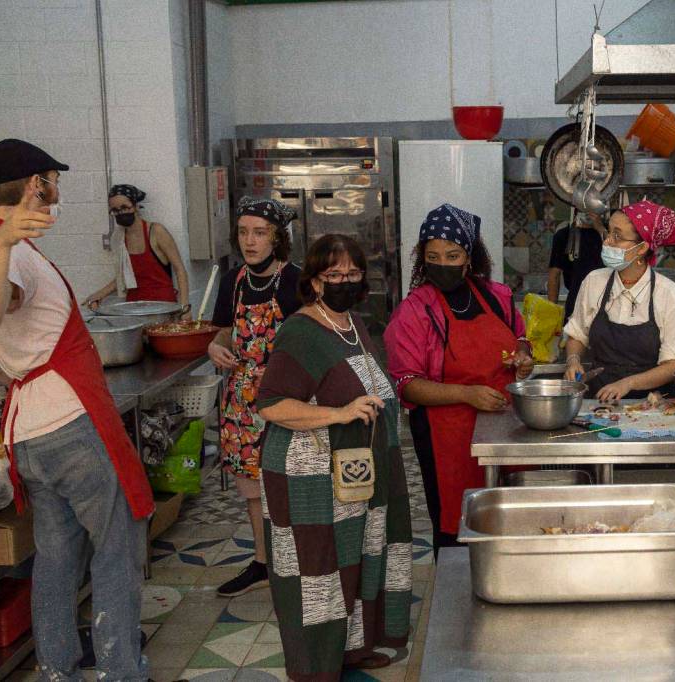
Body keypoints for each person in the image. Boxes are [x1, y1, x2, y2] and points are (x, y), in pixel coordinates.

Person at [0, 139, 152, 679]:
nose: (57, 191)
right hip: (69, 429)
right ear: (36, 184)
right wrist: (1, 247)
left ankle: (57, 668)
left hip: (30, 436)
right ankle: (119, 669)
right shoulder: (9, 252)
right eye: (52, 181)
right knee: (116, 546)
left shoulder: (14, 249)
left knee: (57, 558)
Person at [257, 234, 412, 678]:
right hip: (310, 475)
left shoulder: (352, 323)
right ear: (314, 280)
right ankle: (314, 666)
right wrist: (339, 413)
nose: (345, 281)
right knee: (317, 572)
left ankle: (352, 650)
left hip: (353, 472)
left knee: (356, 559)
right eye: (334, 275)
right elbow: (271, 404)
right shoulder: (301, 331)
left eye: (353, 274)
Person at [385, 204, 532, 549]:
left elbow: (520, 337)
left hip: (506, 428)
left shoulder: (497, 296)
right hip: (446, 436)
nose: (442, 264)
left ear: (469, 257)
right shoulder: (414, 311)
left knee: (513, 520)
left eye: (452, 255)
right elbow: (408, 385)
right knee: (458, 526)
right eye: (433, 256)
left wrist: (523, 357)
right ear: (422, 258)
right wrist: (467, 395)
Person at [208, 197, 302, 597]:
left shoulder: (297, 281)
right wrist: (216, 346)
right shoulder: (233, 281)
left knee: (294, 481)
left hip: (287, 395)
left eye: (259, 233)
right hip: (242, 400)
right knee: (252, 488)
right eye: (244, 232)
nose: (250, 241)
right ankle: (263, 563)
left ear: (277, 238)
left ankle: (301, 561)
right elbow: (222, 331)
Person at [562, 199, 675, 401]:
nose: (607, 241)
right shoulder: (594, 282)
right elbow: (577, 334)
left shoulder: (669, 294)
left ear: (641, 248)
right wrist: (573, 360)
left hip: (653, 405)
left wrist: (628, 383)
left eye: (618, 236)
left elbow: (673, 365)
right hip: (599, 400)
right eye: (609, 232)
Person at [84, 184, 190, 312]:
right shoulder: (119, 237)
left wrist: (184, 308)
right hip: (134, 307)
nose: (120, 213)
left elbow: (180, 270)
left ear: (136, 206)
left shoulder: (156, 232)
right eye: (115, 210)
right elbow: (123, 276)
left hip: (162, 306)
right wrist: (99, 294)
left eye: (124, 208)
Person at [548, 212, 604, 318]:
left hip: (606, 304)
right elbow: (554, 276)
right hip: (575, 306)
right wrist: (553, 314)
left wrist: (601, 229)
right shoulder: (565, 235)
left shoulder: (609, 234)